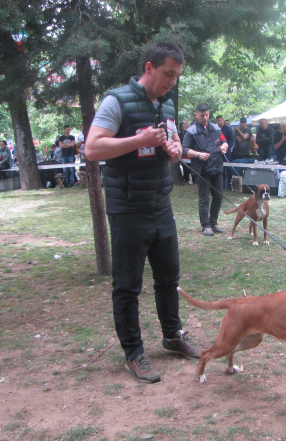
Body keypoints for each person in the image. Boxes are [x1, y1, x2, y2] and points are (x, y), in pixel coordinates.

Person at [85, 42, 201, 383]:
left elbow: (173, 142)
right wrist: (137, 141)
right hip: (128, 209)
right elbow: (92, 148)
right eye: (168, 74)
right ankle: (134, 353)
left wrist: (176, 149)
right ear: (149, 68)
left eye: (177, 76)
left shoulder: (166, 104)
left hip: (160, 205)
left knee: (169, 278)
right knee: (128, 286)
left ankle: (172, 335)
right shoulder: (116, 101)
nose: (172, 83)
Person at [182, 103, 229, 236]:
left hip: (217, 168)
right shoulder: (191, 131)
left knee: (218, 197)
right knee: (204, 198)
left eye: (207, 115)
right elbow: (184, 149)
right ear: (196, 115)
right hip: (202, 170)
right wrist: (198, 154)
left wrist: (224, 146)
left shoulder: (215, 128)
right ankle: (205, 225)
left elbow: (224, 141)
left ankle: (213, 223)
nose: (205, 118)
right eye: (202, 115)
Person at [215, 115, 235, 189]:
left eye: (220, 120)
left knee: (228, 168)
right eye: (218, 120)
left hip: (227, 151)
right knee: (221, 168)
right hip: (218, 152)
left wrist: (227, 147)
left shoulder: (228, 129)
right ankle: (222, 184)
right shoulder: (216, 129)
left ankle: (229, 184)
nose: (219, 122)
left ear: (223, 120)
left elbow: (232, 139)